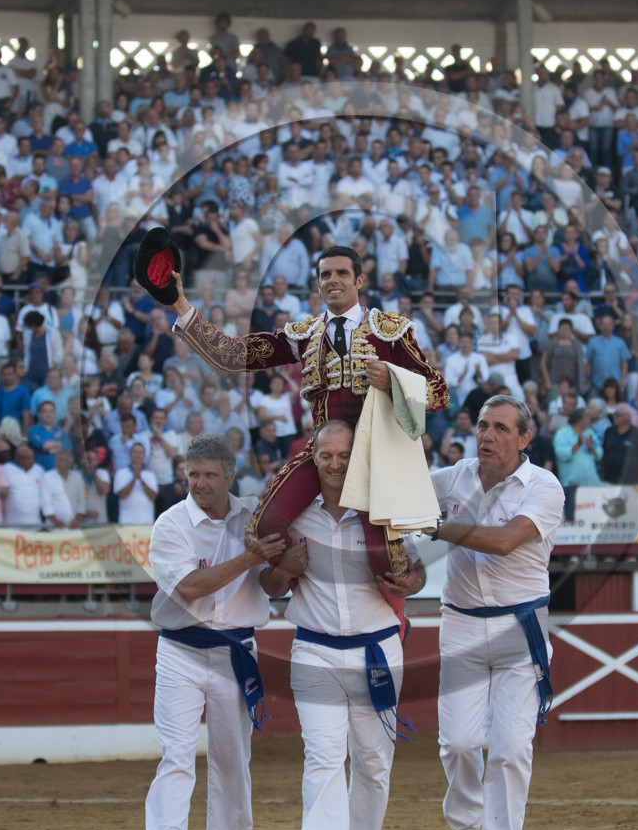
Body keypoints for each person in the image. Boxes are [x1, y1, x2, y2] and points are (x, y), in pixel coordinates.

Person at [166, 243, 447, 627]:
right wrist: (182, 306)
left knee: (387, 560)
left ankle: (395, 623)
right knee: (264, 526)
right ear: (317, 283)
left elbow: (438, 392)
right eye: (325, 275)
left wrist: (394, 381)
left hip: (375, 460)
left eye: (342, 273)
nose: (333, 280)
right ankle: (301, 582)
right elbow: (231, 356)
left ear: (359, 280)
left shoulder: (391, 332)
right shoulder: (304, 335)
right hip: (323, 453)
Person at [260, 421, 425, 830]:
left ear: (359, 458)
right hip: (315, 648)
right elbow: (267, 586)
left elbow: (415, 573)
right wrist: (283, 571)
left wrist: (408, 584)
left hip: (377, 650)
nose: (335, 464)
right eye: (326, 456)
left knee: (373, 761)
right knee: (323, 753)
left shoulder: (382, 512)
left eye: (345, 455)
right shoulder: (294, 518)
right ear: (312, 459)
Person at [138, 433, 286, 830]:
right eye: (193, 474)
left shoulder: (256, 516)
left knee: (231, 756)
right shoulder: (170, 523)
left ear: (230, 476)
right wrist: (251, 557)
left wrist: (285, 567)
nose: (199, 483)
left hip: (235, 651)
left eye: (209, 475)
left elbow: (274, 585)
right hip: (180, 650)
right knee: (177, 751)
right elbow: (190, 588)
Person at [428, 396, 564, 830]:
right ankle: (466, 827)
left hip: (520, 626)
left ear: (525, 438)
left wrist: (436, 527)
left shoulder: (544, 486)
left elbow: (506, 541)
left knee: (510, 747)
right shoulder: (450, 478)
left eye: (502, 428)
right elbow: (400, 497)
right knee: (459, 743)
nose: (488, 435)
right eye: (484, 425)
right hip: (462, 622)